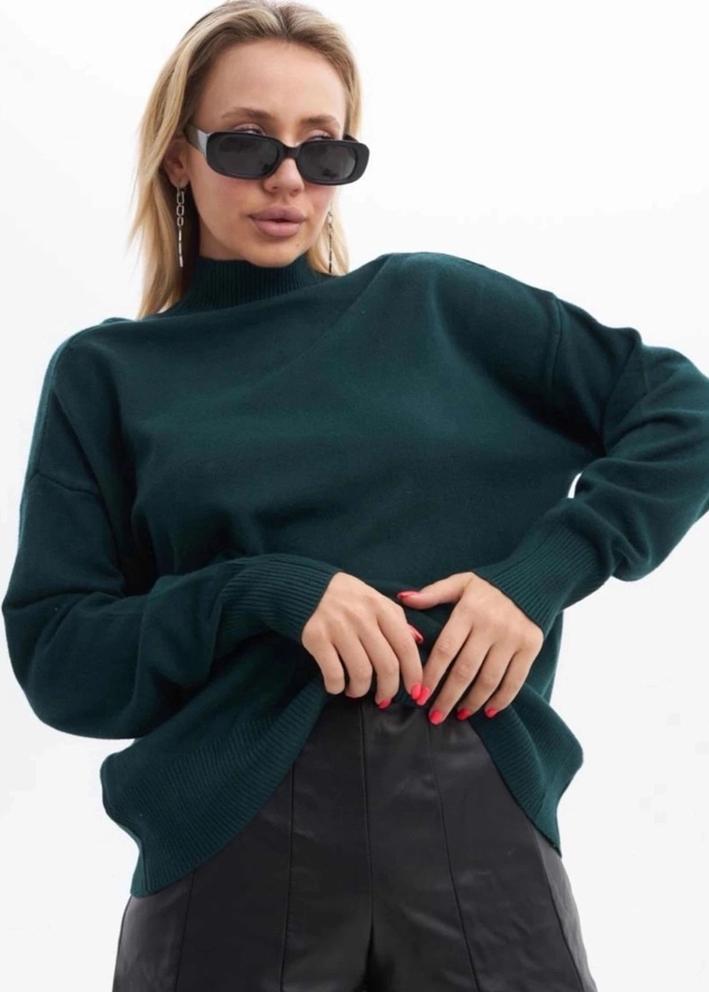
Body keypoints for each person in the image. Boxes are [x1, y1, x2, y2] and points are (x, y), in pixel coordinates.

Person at [3, 2, 709, 990]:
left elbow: (685, 414)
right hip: (232, 854)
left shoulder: (435, 309)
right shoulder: (107, 374)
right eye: (247, 142)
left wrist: (542, 574)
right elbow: (58, 656)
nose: (287, 177)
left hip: (478, 834)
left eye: (323, 148)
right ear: (178, 156)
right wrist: (262, 590)